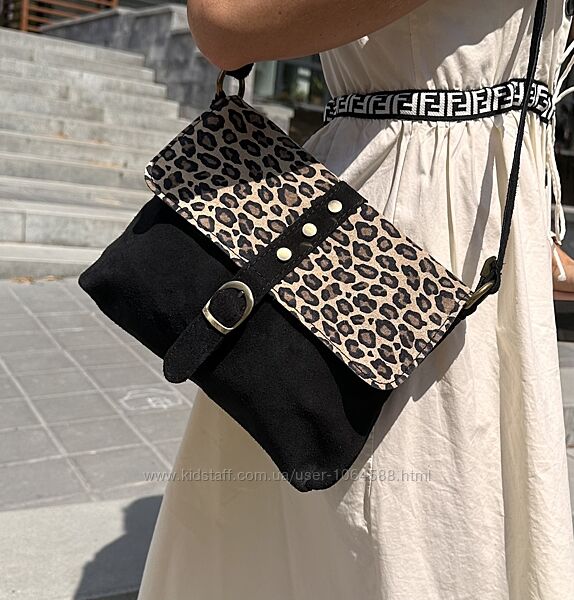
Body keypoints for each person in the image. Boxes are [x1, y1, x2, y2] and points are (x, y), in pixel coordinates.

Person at [137, 0, 574, 598]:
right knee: (397, 532)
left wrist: (525, 229)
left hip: (482, 224)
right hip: (388, 230)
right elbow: (224, 21)